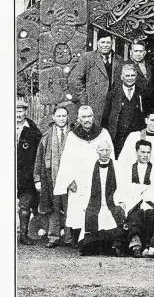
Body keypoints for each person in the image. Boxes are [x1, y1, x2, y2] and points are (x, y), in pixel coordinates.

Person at [53, 106, 114, 246]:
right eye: (84, 117)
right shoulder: (73, 136)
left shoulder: (103, 133)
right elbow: (66, 160)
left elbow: (111, 155)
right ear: (78, 119)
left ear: (93, 117)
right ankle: (77, 239)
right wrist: (69, 181)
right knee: (78, 208)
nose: (87, 120)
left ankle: (96, 239)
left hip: (98, 178)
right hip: (78, 181)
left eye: (89, 116)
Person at [76, 138, 126, 256]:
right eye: (102, 150)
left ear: (111, 151)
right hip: (95, 202)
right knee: (92, 214)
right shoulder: (89, 167)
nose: (105, 153)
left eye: (107, 150)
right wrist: (84, 203)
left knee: (115, 214)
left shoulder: (117, 166)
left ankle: (114, 245)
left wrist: (121, 200)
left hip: (112, 202)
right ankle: (94, 246)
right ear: (97, 151)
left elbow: (123, 185)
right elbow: (84, 187)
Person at [33, 104, 70, 247]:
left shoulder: (73, 134)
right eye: (59, 116)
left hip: (69, 178)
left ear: (68, 117)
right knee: (54, 208)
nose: (61, 119)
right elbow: (39, 159)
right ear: (53, 118)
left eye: (64, 116)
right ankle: (53, 237)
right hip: (51, 177)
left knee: (68, 207)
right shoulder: (47, 136)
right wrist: (37, 179)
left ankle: (69, 238)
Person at [67, 30, 122, 122]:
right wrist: (85, 99)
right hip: (94, 104)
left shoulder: (118, 59)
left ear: (112, 43)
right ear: (97, 43)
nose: (105, 45)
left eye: (108, 42)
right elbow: (74, 79)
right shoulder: (88, 57)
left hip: (112, 105)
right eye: (102, 42)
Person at [120, 139, 154, 257]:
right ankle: (135, 242)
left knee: (150, 213)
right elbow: (124, 187)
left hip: (150, 199)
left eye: (148, 152)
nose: (145, 155)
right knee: (135, 212)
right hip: (133, 199)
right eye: (142, 152)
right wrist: (123, 199)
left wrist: (142, 190)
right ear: (136, 152)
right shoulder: (128, 169)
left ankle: (149, 245)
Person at [102, 63, 145, 155]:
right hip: (118, 137)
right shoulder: (113, 94)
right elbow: (105, 117)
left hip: (136, 136)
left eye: (133, 75)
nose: (130, 78)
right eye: (127, 75)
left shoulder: (142, 93)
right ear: (122, 77)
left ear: (136, 76)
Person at [16, 98, 42, 244]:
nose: (18, 115)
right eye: (16, 111)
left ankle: (23, 235)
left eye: (21, 111)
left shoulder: (33, 131)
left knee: (25, 206)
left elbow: (38, 155)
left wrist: (34, 175)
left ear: (26, 112)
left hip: (26, 175)